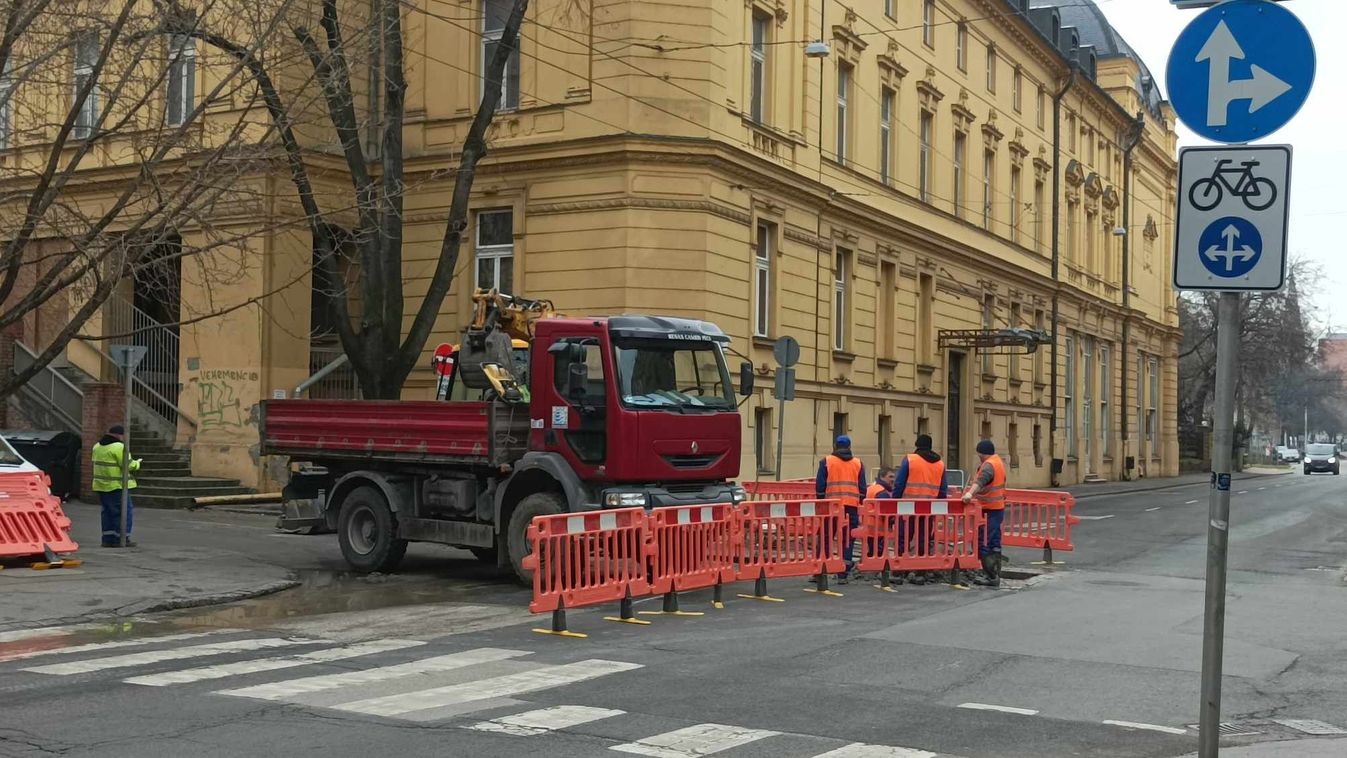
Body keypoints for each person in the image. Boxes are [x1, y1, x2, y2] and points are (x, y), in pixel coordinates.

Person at [891, 434, 948, 585]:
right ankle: (920, 573)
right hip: (929, 508)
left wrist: (894, 502)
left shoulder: (910, 460)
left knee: (903, 537)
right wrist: (939, 507)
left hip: (908, 507)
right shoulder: (940, 464)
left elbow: (899, 483)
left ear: (917, 445)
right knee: (923, 539)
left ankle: (899, 571)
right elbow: (943, 490)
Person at [815, 435, 866, 584]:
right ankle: (843, 573)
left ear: (835, 446)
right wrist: (859, 503)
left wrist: (821, 503)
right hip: (851, 507)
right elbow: (862, 488)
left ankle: (820, 571)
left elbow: (820, 487)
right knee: (847, 540)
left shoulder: (826, 462)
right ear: (849, 447)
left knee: (826, 538)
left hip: (831, 506)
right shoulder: (858, 464)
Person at [962, 439, 1008, 587]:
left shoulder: (988, 465)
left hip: (988, 509)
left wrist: (969, 494)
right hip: (997, 507)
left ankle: (991, 576)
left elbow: (981, 481)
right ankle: (995, 574)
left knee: (984, 542)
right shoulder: (998, 462)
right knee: (994, 542)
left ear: (981, 453)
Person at [91, 425, 141, 548]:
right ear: (120, 435)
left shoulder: (97, 446)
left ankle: (107, 539)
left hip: (101, 486)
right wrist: (137, 463)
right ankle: (122, 538)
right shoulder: (119, 447)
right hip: (117, 486)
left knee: (107, 512)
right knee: (124, 512)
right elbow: (128, 465)